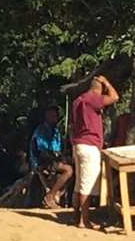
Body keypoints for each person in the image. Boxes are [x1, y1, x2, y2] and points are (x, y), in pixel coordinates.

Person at [70, 75, 120, 229]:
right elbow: (114, 97)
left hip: (78, 144)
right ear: (98, 89)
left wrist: (73, 144)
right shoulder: (92, 99)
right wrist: (106, 82)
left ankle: (76, 215)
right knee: (87, 184)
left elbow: (71, 127)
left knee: (79, 183)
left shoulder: (77, 101)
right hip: (90, 145)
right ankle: (83, 220)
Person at [30, 106, 74, 209]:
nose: (56, 118)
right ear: (47, 115)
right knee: (68, 170)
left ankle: (58, 194)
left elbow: (57, 150)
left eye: (56, 116)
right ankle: (50, 195)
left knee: (76, 168)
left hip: (52, 160)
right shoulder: (41, 131)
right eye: (53, 115)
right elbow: (42, 153)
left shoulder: (56, 132)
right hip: (41, 162)